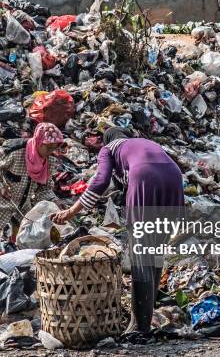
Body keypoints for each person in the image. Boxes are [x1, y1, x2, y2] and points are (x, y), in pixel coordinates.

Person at [52, 127, 184, 334]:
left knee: (140, 255)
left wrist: (71, 211)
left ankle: (140, 327)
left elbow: (100, 181)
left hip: (145, 178)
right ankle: (142, 321)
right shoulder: (143, 142)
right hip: (175, 179)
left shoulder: (109, 148)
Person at [0, 122, 64, 269]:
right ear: (39, 141)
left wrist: (54, 200)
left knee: (22, 232)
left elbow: (43, 188)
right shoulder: (16, 151)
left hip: (22, 199)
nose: (50, 151)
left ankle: (14, 263)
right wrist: (0, 186)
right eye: (48, 147)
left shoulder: (48, 161)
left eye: (53, 148)